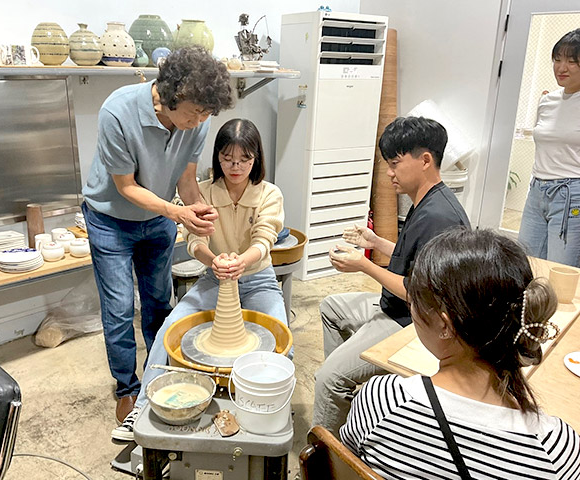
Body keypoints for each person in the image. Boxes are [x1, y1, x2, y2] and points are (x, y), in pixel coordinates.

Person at [341, 228, 580, 479]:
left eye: (415, 301)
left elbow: (347, 465)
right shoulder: (556, 451)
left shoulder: (381, 402)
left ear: (445, 325)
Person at [82, 46, 234, 424]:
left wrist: (197, 213)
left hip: (160, 217)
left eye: (206, 113)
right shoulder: (117, 112)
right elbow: (126, 187)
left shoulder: (196, 120)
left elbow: (185, 179)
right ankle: (127, 388)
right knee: (118, 309)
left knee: (158, 301)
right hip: (110, 220)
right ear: (169, 95)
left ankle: (159, 372)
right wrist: (176, 212)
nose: (200, 120)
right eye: (194, 111)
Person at [111, 118, 288, 441]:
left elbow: (265, 240)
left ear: (256, 158)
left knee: (281, 340)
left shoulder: (269, 194)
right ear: (216, 157)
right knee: (170, 328)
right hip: (213, 278)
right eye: (227, 158)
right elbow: (195, 242)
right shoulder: (201, 192)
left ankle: (268, 415)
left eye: (244, 159)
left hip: (258, 277)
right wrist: (215, 261)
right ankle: (141, 409)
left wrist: (239, 263)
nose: (236, 167)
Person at [312, 116, 471, 436]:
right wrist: (375, 242)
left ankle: (326, 457)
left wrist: (365, 265)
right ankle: (355, 389)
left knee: (326, 379)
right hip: (396, 305)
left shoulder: (440, 218)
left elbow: (418, 294)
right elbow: (417, 256)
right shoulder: (428, 200)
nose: (389, 172)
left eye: (395, 163)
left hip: (411, 320)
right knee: (332, 306)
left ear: (425, 160)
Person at [519, 28, 580, 267]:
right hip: (537, 190)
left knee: (560, 270)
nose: (561, 67)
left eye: (572, 61)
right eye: (557, 59)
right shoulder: (547, 101)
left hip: (571, 193)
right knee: (527, 265)